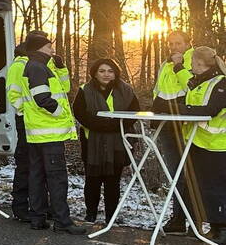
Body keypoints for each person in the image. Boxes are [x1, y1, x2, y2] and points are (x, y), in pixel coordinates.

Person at [15, 33, 87, 234]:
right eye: (49, 47)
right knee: (57, 178)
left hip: (38, 132)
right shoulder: (38, 67)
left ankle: (38, 218)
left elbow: (61, 88)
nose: (52, 50)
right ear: (39, 49)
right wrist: (60, 112)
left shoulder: (35, 65)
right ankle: (63, 221)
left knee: (37, 175)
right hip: (49, 132)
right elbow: (42, 98)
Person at [72, 59, 139, 224]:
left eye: (110, 71)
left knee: (113, 181)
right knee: (92, 180)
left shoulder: (126, 90)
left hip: (118, 141)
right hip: (92, 141)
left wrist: (114, 125)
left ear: (115, 73)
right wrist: (100, 125)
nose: (106, 74)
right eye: (102, 71)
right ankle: (91, 214)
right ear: (94, 73)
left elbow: (133, 112)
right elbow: (79, 113)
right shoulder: (85, 90)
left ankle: (111, 216)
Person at [152, 31, 197, 234]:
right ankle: (178, 219)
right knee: (175, 173)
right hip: (166, 122)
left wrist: (180, 66)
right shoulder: (165, 64)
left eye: (178, 43)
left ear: (188, 43)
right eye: (170, 44)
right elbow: (158, 92)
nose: (174, 47)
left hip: (187, 124)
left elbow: (194, 89)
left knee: (191, 173)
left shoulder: (196, 60)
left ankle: (195, 222)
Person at [181, 46, 226, 244]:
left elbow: (210, 110)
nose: (190, 67)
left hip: (216, 144)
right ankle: (211, 226)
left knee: (215, 188)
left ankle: (221, 229)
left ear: (199, 63)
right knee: (204, 187)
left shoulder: (220, 83)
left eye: (192, 63)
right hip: (199, 141)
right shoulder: (200, 82)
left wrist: (180, 109)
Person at [8, 30, 50, 223]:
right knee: (25, 163)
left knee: (40, 166)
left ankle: (39, 206)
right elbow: (13, 94)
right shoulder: (19, 64)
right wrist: (25, 113)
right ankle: (20, 206)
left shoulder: (43, 62)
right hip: (26, 121)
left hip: (43, 121)